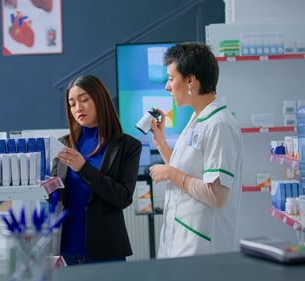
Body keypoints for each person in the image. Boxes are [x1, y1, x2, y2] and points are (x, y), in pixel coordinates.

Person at [149, 42, 242, 258]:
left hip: (201, 248)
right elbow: (187, 169)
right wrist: (162, 143)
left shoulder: (219, 125)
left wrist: (171, 174)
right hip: (181, 241)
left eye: (171, 78)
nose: (167, 86)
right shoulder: (198, 118)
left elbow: (216, 195)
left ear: (191, 80)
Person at [51, 74, 142, 265]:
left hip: (106, 252)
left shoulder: (127, 146)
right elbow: (54, 195)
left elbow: (122, 197)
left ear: (100, 100)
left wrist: (84, 168)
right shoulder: (63, 145)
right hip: (65, 250)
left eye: (84, 100)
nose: (78, 108)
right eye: (72, 103)